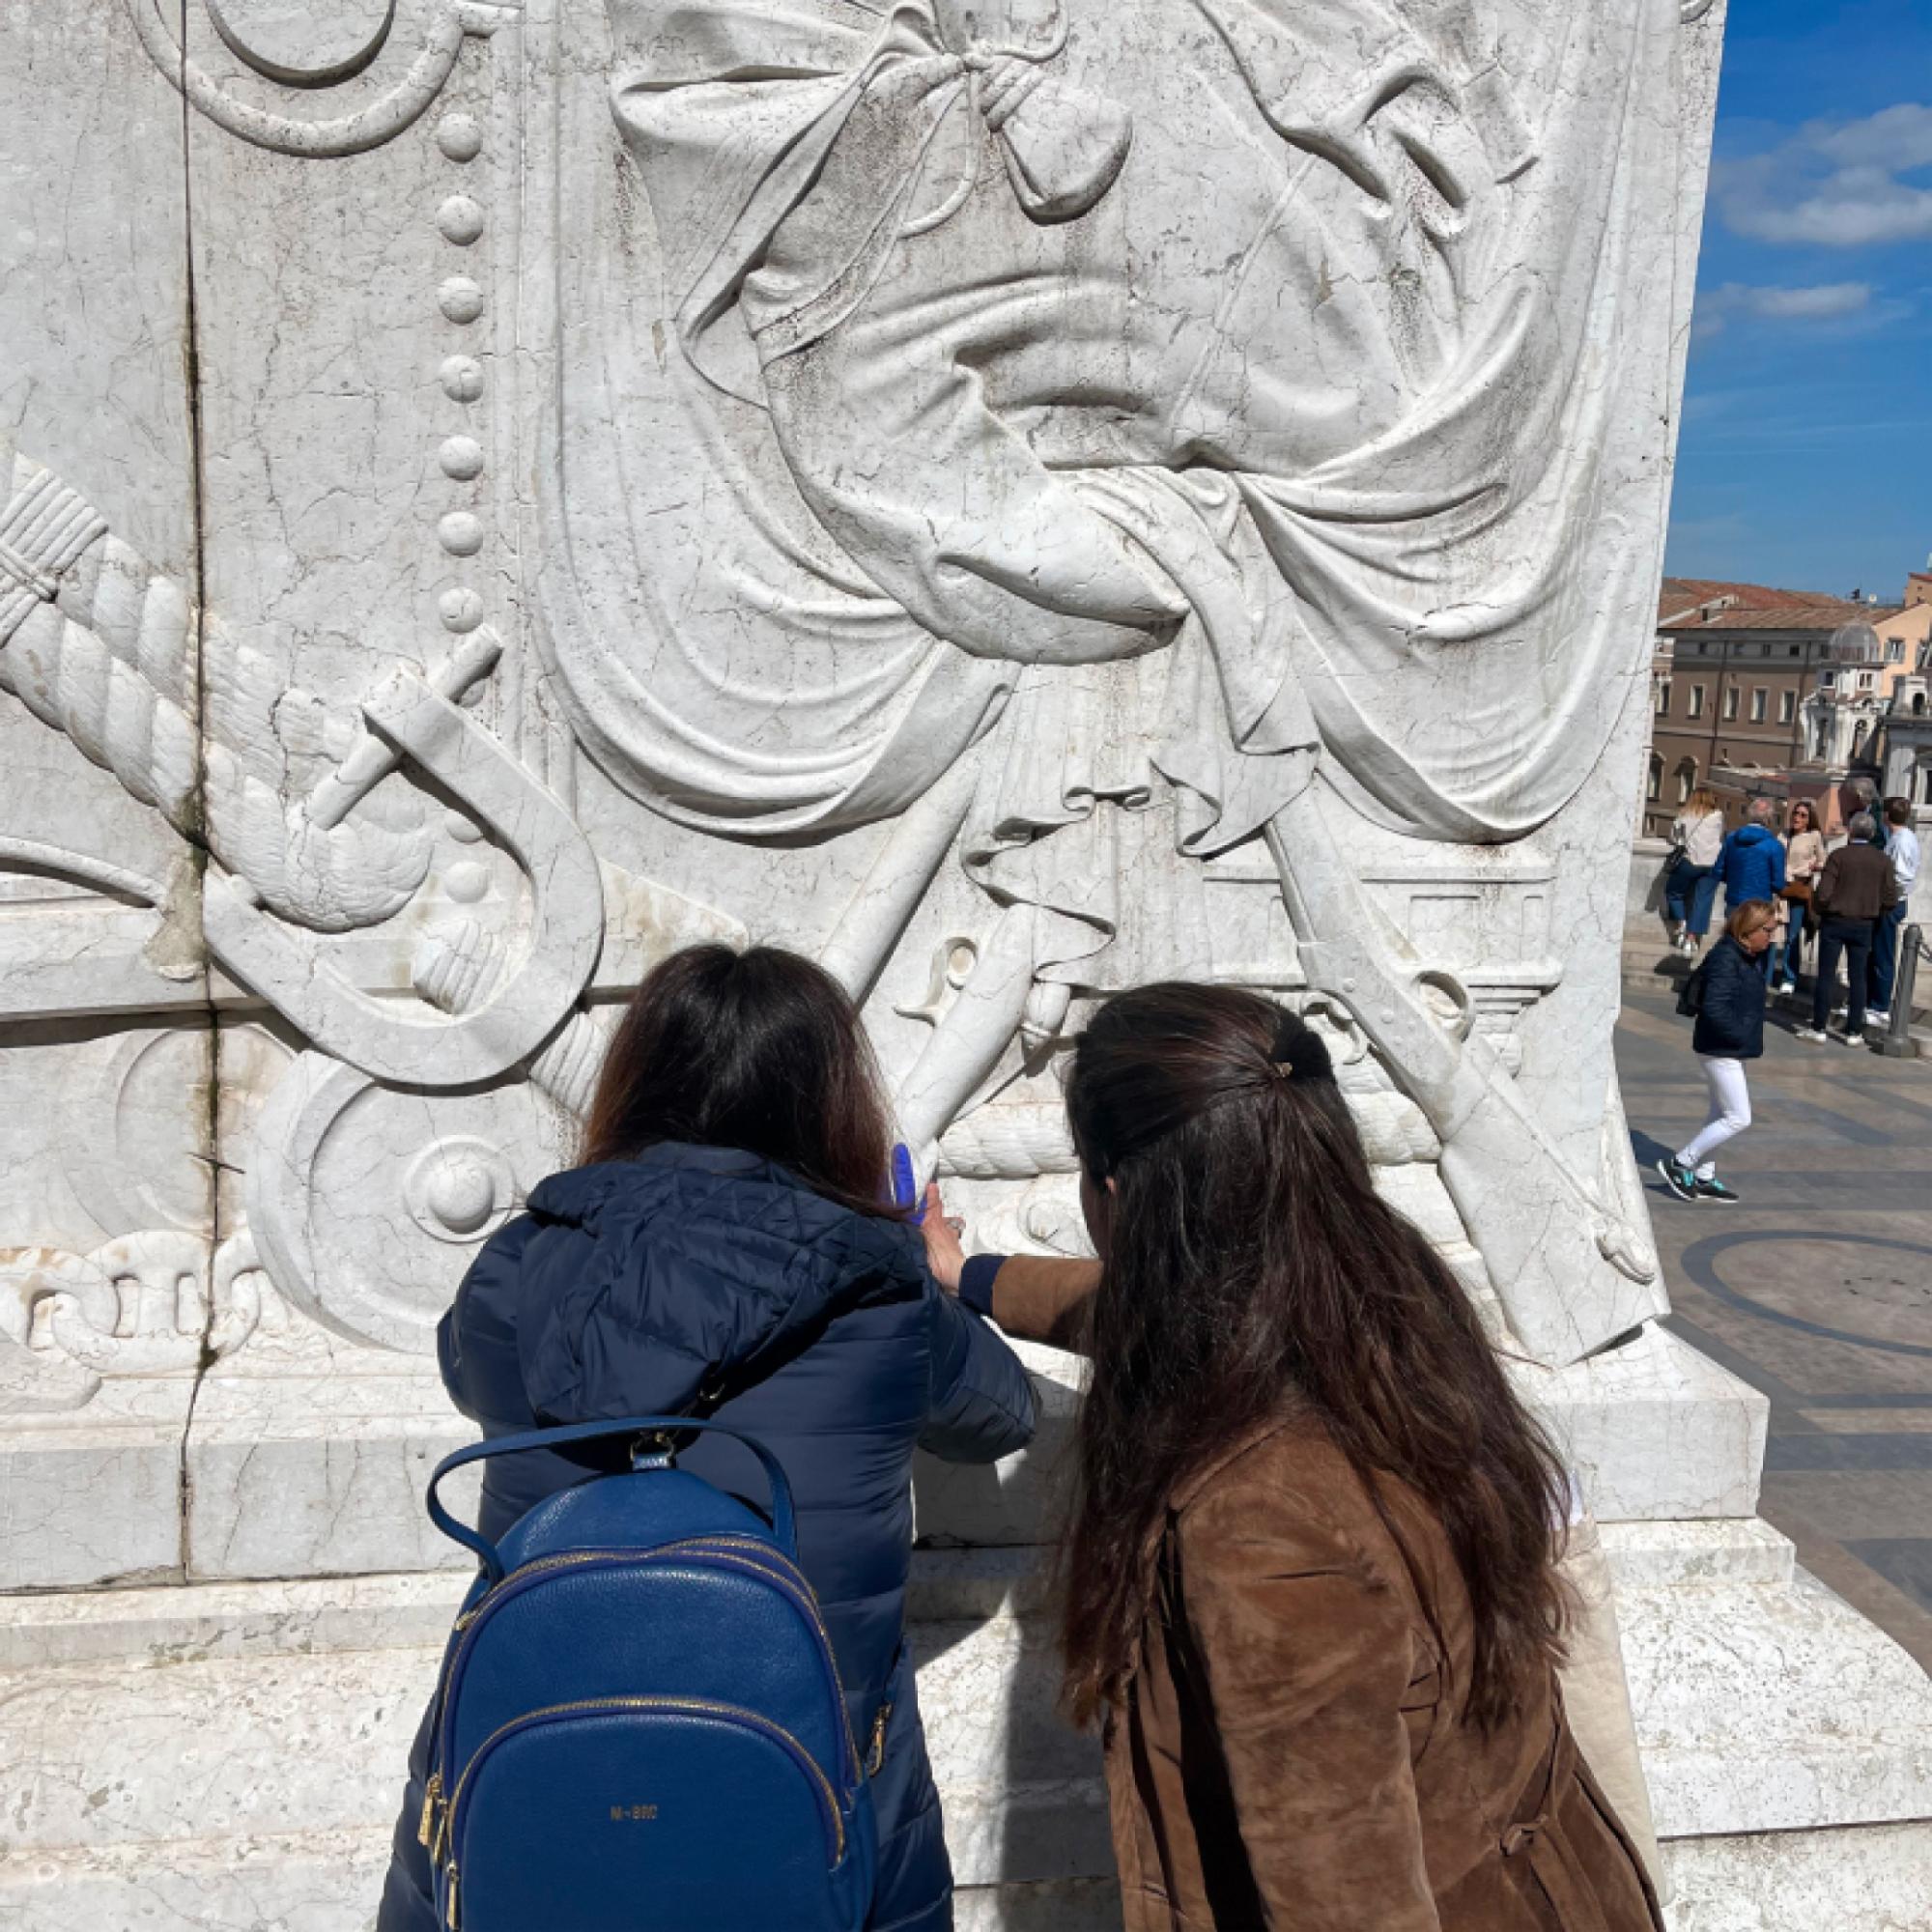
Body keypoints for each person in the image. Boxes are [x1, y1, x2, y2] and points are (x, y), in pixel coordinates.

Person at [937, 983, 1663, 1931]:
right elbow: (1135, 1301)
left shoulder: (1264, 1527)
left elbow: (1350, 1906)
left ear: (1115, 1197)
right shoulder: (1380, 1301)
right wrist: (969, 1274)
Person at [375, 945, 1037, 1932]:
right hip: (814, 1803)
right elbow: (1000, 1412)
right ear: (830, 1104)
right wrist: (929, 1265)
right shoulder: (880, 1286)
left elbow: (463, 1368)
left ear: (636, 1083)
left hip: (534, 1795)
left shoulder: (517, 1263)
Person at [1657, 900, 1775, 1207]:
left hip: (1730, 1048)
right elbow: (1714, 1007)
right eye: (1767, 930)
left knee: (1720, 1113)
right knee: (1739, 1117)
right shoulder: (1726, 958)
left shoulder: (1745, 957)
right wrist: (1740, 1034)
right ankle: (1681, 1162)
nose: (1771, 937)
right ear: (1748, 930)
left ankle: (1704, 1177)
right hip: (1720, 1048)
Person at [1797, 812, 1899, 1048]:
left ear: (1851, 831)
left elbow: (1823, 893)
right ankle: (1854, 1031)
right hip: (1864, 923)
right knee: (1858, 977)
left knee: (1826, 975)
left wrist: (1823, 909)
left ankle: (1819, 1027)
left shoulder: (1838, 856)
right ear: (1872, 833)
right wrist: (1875, 911)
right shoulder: (1883, 860)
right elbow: (1890, 898)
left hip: (1835, 921)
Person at [1711, 798, 1786, 976]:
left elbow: (1718, 870)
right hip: (1760, 906)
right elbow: (1778, 883)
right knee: (1757, 949)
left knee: (1732, 944)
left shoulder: (1731, 839)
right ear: (1769, 818)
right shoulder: (1774, 846)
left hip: (1734, 901)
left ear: (1749, 815)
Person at [1867, 798, 1920, 1027]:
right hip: (1888, 902)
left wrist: (1885, 898)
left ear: (1887, 815)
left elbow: (1901, 877)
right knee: (1876, 953)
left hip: (1890, 904)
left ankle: (1880, 1006)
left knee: (1883, 954)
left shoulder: (1902, 841)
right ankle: (1872, 1002)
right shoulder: (1898, 838)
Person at [1773, 798, 1826, 995]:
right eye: (1795, 813)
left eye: (1803, 815)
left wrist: (1814, 866)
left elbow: (1823, 860)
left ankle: (1789, 977)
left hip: (1798, 888)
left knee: (1792, 935)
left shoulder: (1814, 836)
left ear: (1809, 819)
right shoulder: (1783, 835)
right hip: (1780, 888)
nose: (1797, 818)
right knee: (1774, 932)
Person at [1665, 788, 1726, 953]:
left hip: (1690, 862)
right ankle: (1691, 939)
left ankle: (1681, 923)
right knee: (1703, 901)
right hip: (1711, 865)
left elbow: (1673, 838)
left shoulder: (1684, 815)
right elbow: (1721, 836)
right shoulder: (1718, 816)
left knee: (1674, 893)